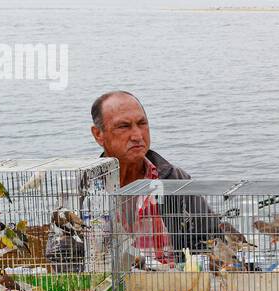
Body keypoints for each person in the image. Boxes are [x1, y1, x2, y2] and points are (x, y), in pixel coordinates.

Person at [90, 91, 220, 256]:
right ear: (98, 134)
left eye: (142, 123)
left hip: (169, 279)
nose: (137, 136)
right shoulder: (86, 186)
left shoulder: (174, 179)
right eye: (124, 126)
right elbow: (63, 254)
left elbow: (213, 237)